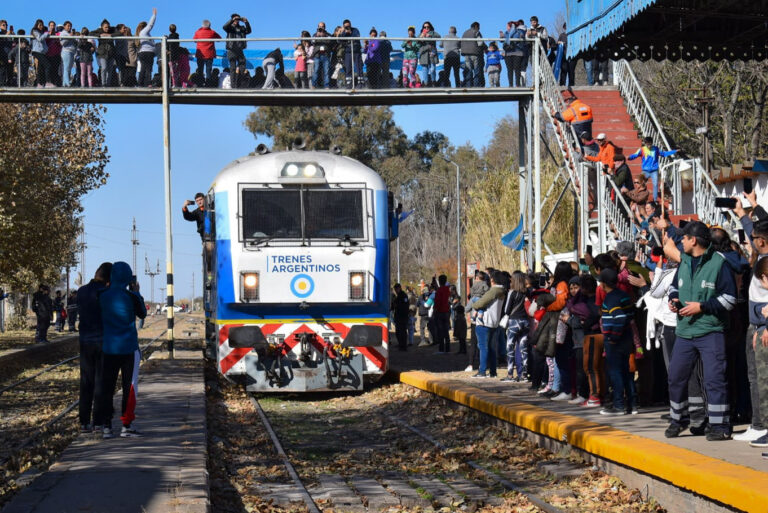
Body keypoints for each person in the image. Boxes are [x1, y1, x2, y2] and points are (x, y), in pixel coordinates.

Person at [665, 221, 736, 441]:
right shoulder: (684, 261)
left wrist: (702, 306)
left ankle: (720, 425)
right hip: (684, 332)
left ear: (693, 240)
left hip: (711, 331)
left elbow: (730, 299)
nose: (681, 241)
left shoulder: (719, 263)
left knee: (714, 380)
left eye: (684, 238)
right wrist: (673, 299)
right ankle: (678, 419)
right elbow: (675, 286)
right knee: (676, 377)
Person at [94, 262, 147, 439]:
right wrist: (136, 291)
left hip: (108, 347)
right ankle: (126, 425)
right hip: (129, 348)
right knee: (129, 387)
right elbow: (142, 314)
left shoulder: (101, 295)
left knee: (106, 387)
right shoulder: (131, 296)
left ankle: (106, 427)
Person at [77, 263, 111, 432]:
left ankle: (83, 421)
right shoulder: (106, 293)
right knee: (100, 382)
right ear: (108, 279)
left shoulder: (81, 291)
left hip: (85, 341)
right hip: (103, 341)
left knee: (86, 381)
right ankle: (98, 421)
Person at [599, 268, 636, 415]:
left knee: (615, 373)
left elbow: (619, 317)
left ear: (603, 284)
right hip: (626, 337)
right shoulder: (623, 295)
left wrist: (614, 336)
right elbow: (630, 314)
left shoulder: (611, 298)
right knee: (627, 372)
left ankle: (619, 405)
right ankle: (632, 404)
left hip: (616, 340)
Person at [469, 271, 506, 378]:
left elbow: (479, 304)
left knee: (483, 347)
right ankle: (493, 372)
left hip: (484, 322)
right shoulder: (502, 291)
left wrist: (474, 304)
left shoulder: (493, 291)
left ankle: (482, 371)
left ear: (493, 279)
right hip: (495, 323)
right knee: (492, 348)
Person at [628, 137, 679, 202]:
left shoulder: (656, 149)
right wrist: (630, 157)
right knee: (639, 182)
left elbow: (663, 154)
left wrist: (674, 151)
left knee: (655, 184)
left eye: (650, 144)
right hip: (645, 171)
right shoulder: (642, 149)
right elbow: (635, 155)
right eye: (647, 144)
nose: (649, 146)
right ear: (645, 143)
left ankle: (655, 200)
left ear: (652, 143)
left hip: (654, 171)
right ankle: (636, 196)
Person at [501, 272, 529, 381]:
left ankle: (510, 374)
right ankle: (524, 374)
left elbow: (507, 310)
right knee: (523, 349)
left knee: (510, 347)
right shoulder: (527, 293)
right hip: (525, 322)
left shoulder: (512, 293)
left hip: (514, 322)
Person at [223, 13, 251, 89]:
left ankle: (240, 84)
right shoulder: (229, 27)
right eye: (235, 19)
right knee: (232, 69)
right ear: (232, 19)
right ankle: (233, 86)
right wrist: (232, 20)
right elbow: (224, 27)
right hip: (231, 49)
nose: (237, 21)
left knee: (242, 67)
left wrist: (246, 22)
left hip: (240, 50)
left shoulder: (241, 28)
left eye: (238, 19)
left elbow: (249, 31)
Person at [193, 20, 220, 85]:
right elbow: (219, 39)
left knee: (200, 70)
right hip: (209, 54)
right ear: (209, 25)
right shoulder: (212, 32)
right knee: (208, 70)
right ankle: (208, 83)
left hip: (200, 54)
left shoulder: (198, 32)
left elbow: (194, 40)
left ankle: (200, 83)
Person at [92, 18, 116, 87]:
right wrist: (99, 35)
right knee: (104, 68)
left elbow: (119, 33)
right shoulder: (99, 31)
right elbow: (91, 33)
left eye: (108, 27)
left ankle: (108, 84)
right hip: (102, 54)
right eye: (105, 27)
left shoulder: (112, 30)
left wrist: (110, 35)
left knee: (110, 69)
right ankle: (103, 83)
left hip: (111, 53)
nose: (107, 28)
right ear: (102, 27)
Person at [136, 9, 157, 87]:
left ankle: (140, 83)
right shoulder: (144, 32)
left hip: (143, 53)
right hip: (147, 53)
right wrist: (154, 15)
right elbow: (150, 25)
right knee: (148, 69)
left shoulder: (140, 34)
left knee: (143, 69)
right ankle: (148, 83)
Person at [460, 22, 484, 87]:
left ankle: (468, 85)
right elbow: (480, 43)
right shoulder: (476, 32)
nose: (479, 28)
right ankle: (476, 86)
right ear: (476, 26)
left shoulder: (465, 33)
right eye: (479, 27)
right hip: (475, 53)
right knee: (476, 70)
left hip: (466, 54)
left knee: (468, 70)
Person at [433, 274, 452, 353]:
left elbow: (437, 302)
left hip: (440, 312)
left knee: (440, 331)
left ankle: (441, 348)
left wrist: (435, 310)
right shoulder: (448, 290)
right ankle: (447, 348)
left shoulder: (439, 290)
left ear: (440, 281)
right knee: (446, 330)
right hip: (447, 312)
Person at [31, 19, 53, 87]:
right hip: (37, 51)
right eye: (39, 25)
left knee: (41, 68)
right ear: (37, 25)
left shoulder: (42, 32)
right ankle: (48, 82)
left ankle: (40, 83)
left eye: (42, 25)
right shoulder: (35, 31)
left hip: (42, 52)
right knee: (48, 65)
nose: (41, 26)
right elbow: (39, 38)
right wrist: (47, 34)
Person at [417, 22, 439, 87]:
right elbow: (417, 41)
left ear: (430, 27)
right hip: (424, 54)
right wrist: (421, 37)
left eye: (428, 27)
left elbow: (439, 36)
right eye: (425, 27)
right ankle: (426, 83)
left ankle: (433, 81)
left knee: (432, 69)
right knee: (424, 69)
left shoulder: (433, 33)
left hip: (432, 53)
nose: (426, 28)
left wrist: (430, 36)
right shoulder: (421, 34)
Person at [311, 22, 331, 89]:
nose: (321, 28)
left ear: (325, 27)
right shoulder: (315, 34)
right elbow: (312, 41)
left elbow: (330, 41)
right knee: (316, 71)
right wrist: (317, 35)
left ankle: (327, 86)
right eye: (320, 26)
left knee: (326, 71)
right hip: (317, 55)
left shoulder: (328, 34)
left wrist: (324, 35)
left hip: (326, 55)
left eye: (322, 26)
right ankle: (314, 85)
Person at [391, 283, 409, 351]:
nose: (396, 290)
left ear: (399, 288)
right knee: (398, 332)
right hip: (398, 316)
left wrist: (397, 306)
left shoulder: (403, 295)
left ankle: (403, 346)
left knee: (402, 332)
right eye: (395, 289)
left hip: (402, 317)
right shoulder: (398, 296)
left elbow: (405, 306)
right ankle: (401, 344)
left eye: (396, 289)